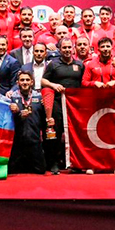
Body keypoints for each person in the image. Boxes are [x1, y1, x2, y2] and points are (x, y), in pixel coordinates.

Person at [41, 38, 84, 174]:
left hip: (75, 105)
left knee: (76, 134)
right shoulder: (53, 64)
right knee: (56, 132)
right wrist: (53, 85)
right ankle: (53, 163)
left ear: (73, 49)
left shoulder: (80, 65)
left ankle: (75, 163)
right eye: (64, 47)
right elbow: (43, 81)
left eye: (69, 47)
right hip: (57, 103)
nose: (67, 50)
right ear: (59, 49)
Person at [9, 71, 47, 174]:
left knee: (40, 170)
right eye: (22, 80)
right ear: (17, 82)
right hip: (17, 141)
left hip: (34, 139)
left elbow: (44, 117)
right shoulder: (12, 98)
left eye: (27, 80)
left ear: (32, 82)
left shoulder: (39, 97)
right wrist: (17, 113)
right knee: (12, 171)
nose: (25, 82)